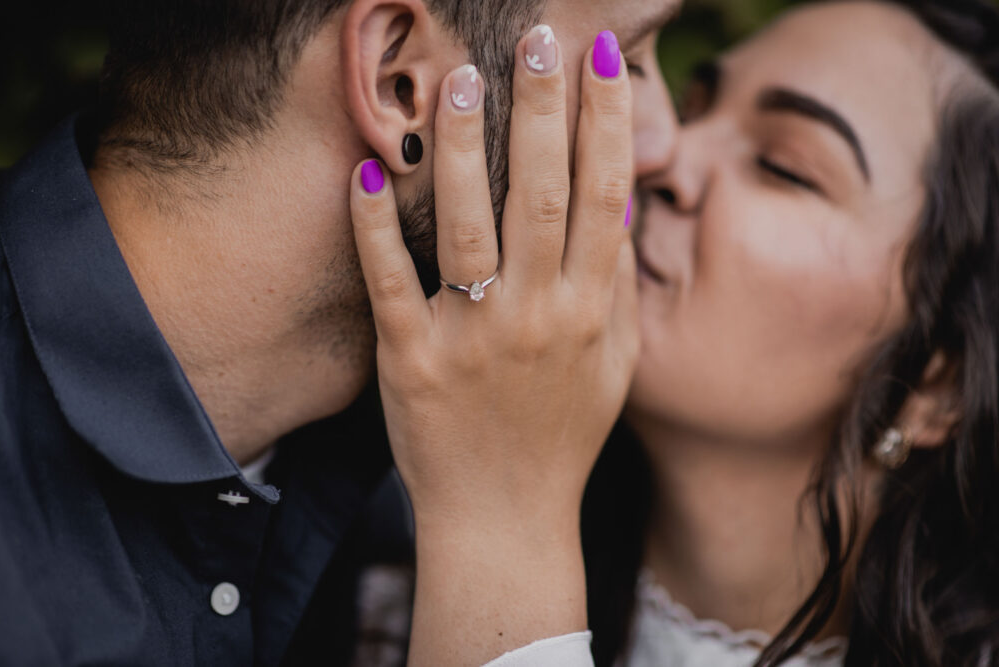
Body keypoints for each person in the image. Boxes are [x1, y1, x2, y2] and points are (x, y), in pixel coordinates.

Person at [0, 1, 680, 665]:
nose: (663, 144)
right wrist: (509, 516)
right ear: (399, 82)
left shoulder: (413, 430)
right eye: (630, 57)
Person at [350, 0, 999, 665]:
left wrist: (503, 519)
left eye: (783, 166)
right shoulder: (368, 587)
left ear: (937, 384)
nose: (660, 153)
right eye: (693, 109)